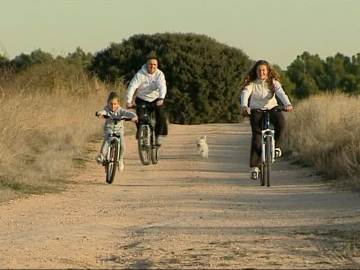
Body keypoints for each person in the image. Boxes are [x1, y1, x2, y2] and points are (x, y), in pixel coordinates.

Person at [240, 60, 293, 180]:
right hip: (256, 110)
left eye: (263, 70)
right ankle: (254, 167)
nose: (261, 72)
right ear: (256, 71)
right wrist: (244, 106)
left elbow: (281, 93)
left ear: (268, 71)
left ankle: (277, 147)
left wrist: (288, 104)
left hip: (272, 108)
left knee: (281, 123)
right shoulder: (252, 84)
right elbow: (245, 93)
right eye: (259, 70)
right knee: (257, 136)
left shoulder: (273, 83)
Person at [126, 55, 168, 146]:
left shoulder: (159, 74)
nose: (152, 66)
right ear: (146, 64)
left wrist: (161, 98)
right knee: (140, 118)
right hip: (142, 99)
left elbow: (162, 86)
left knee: (161, 116)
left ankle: (158, 136)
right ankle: (141, 133)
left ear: (157, 65)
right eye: (150, 64)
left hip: (156, 99)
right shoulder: (140, 74)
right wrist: (129, 101)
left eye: (154, 64)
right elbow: (132, 87)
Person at [95, 91, 138, 171]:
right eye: (111, 104)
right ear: (108, 103)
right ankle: (102, 156)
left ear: (118, 103)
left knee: (123, 146)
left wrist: (134, 117)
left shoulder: (121, 110)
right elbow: (103, 112)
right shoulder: (107, 109)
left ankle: (120, 160)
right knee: (107, 141)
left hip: (119, 131)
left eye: (115, 104)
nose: (113, 106)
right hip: (109, 129)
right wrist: (100, 113)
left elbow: (128, 113)